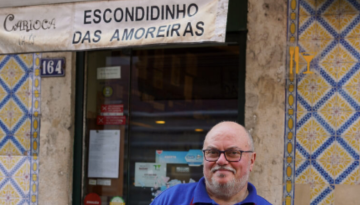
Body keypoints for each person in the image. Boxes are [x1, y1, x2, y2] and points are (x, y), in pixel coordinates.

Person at [150, 121, 272, 205]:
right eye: (213, 152)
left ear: (251, 160)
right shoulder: (170, 200)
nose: (221, 160)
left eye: (233, 153)